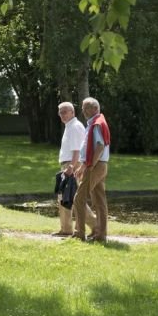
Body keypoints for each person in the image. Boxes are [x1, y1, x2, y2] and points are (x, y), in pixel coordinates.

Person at [52, 102, 94, 237]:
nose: (62, 115)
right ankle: (66, 229)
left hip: (71, 165)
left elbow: (77, 150)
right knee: (64, 198)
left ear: (72, 112)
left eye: (65, 112)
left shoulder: (75, 127)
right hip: (67, 164)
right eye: (60, 112)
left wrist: (71, 166)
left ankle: (96, 225)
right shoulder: (69, 126)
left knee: (75, 198)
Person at [73, 97, 110, 243]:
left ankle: (79, 233)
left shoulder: (96, 124)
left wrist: (90, 166)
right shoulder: (96, 123)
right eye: (83, 107)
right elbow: (90, 148)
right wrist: (84, 164)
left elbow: (99, 146)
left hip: (95, 166)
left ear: (95, 108)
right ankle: (101, 235)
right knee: (99, 201)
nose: (83, 110)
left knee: (79, 198)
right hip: (99, 165)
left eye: (86, 107)